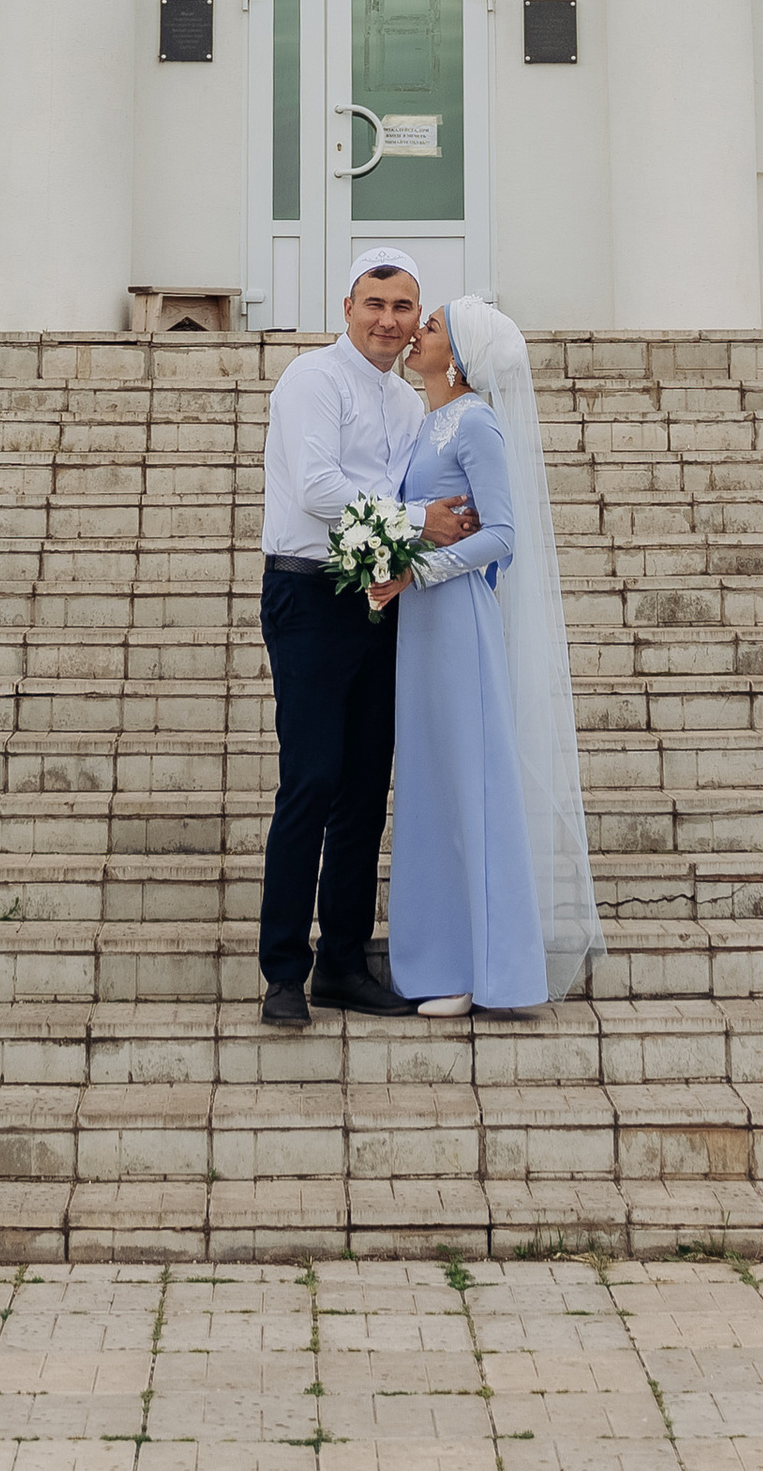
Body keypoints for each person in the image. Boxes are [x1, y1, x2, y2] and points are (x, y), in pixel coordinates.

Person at [257, 252, 478, 1029]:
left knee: (363, 792)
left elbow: (406, 492)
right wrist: (422, 522)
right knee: (310, 783)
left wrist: (421, 547)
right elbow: (319, 490)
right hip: (309, 593)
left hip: (377, 598)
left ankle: (343, 964)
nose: (389, 319)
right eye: (374, 302)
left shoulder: (405, 402)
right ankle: (284, 971)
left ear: (420, 318)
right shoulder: (311, 381)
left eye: (405, 306)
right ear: (346, 304)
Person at [371, 295, 602, 1014]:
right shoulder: (427, 423)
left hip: (457, 621)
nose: (416, 333)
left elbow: (502, 534)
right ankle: (440, 959)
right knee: (434, 786)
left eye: (431, 327)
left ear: (461, 356)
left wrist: (420, 570)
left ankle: (487, 969)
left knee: (469, 783)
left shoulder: (476, 423)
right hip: (419, 625)